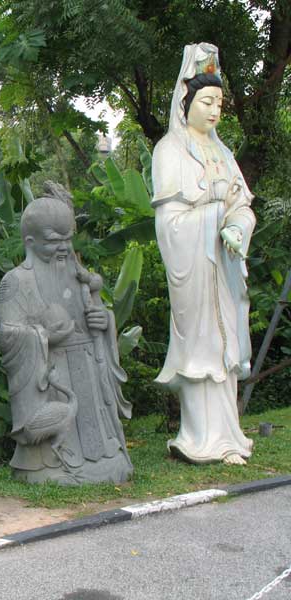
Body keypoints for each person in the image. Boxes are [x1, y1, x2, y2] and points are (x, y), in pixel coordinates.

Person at [152, 43, 254, 465]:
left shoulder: (225, 153)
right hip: (193, 264)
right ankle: (197, 438)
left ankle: (229, 437)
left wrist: (235, 226)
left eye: (219, 103)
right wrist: (213, 217)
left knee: (227, 349)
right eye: (207, 101)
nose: (214, 111)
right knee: (201, 349)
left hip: (224, 266)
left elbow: (243, 206)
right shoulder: (168, 150)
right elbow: (169, 221)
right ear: (186, 100)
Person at [0, 185, 133, 484]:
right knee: (59, 427)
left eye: (67, 240)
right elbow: (6, 334)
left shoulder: (78, 275)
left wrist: (103, 320)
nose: (62, 248)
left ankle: (104, 457)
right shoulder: (16, 281)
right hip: (53, 374)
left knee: (101, 439)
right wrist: (42, 336)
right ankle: (50, 465)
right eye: (53, 241)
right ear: (30, 242)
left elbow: (96, 315)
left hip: (87, 368)